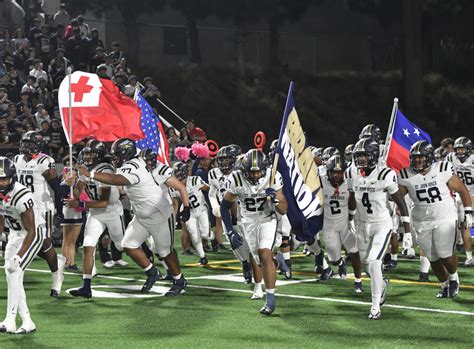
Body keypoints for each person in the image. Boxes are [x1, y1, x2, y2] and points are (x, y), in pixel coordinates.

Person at [77, 138, 189, 295]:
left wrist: (91, 174)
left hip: (158, 215)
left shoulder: (132, 166)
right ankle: (152, 272)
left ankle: (179, 280)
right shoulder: (131, 164)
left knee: (164, 252)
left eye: (117, 155)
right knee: (128, 244)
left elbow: (116, 180)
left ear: (126, 153)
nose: (114, 158)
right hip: (141, 215)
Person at [346, 138, 411, 320]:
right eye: (358, 156)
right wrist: (350, 217)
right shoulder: (351, 172)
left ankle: (375, 306)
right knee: (368, 265)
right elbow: (352, 197)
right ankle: (381, 284)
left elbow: (401, 202)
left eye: (364, 156)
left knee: (374, 262)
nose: (361, 160)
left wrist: (406, 231)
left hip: (381, 225)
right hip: (362, 224)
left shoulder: (385, 174)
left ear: (374, 156)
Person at [398, 140, 472, 297]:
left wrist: (468, 211)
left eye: (421, 157)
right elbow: (396, 196)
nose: (417, 160)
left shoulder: (442, 168)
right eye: (415, 157)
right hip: (421, 220)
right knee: (432, 257)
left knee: (445, 254)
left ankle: (453, 279)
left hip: (444, 216)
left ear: (429, 157)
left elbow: (461, 189)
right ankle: (444, 284)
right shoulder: (405, 174)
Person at [221, 149, 288, 316]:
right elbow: (225, 206)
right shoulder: (236, 178)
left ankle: (270, 300)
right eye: (251, 171)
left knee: (264, 254)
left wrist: (276, 200)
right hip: (248, 222)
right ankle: (277, 261)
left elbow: (284, 209)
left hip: (268, 219)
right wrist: (230, 230)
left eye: (258, 171)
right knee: (260, 261)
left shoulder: (273, 176)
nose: (256, 175)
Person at [68, 140, 126, 298]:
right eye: (86, 153)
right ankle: (86, 286)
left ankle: (150, 268)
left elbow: (103, 202)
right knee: (88, 245)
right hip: (95, 213)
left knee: (122, 246)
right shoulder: (85, 169)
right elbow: (79, 191)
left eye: (91, 153)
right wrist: (71, 184)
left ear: (99, 154)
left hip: (112, 211)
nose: (87, 156)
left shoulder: (105, 169)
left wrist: (79, 203)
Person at [13, 132, 67, 297]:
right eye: (25, 143)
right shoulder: (16, 159)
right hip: (22, 207)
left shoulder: (45, 161)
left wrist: (68, 186)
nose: (26, 146)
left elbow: (58, 190)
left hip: (42, 208)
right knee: (26, 243)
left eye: (30, 143)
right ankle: (57, 262)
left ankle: (57, 276)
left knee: (44, 243)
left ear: (38, 145)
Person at [0, 157, 44, 334]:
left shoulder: (21, 195)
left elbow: (31, 230)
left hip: (32, 236)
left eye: (4, 178)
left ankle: (10, 319)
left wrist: (19, 255)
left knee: (14, 270)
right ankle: (27, 320)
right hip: (14, 235)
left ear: (12, 177)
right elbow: (1, 215)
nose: (1, 182)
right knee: (11, 275)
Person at [208, 145, 253, 282]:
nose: (223, 163)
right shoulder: (213, 173)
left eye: (227, 160)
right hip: (226, 212)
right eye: (221, 160)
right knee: (235, 243)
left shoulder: (243, 171)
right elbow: (211, 193)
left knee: (250, 243)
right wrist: (215, 206)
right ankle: (245, 264)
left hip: (245, 211)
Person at [321, 155, 363, 292]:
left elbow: (353, 201)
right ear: (328, 172)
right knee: (333, 258)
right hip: (328, 225)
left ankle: (358, 282)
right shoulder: (321, 183)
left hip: (345, 224)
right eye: (334, 172)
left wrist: (351, 218)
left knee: (354, 252)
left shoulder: (349, 182)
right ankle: (340, 263)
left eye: (340, 172)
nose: (337, 175)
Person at [171, 162, 211, 265]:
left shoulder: (195, 180)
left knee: (205, 234)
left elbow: (209, 189)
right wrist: (173, 218)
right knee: (194, 235)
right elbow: (175, 203)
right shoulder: (173, 186)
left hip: (201, 209)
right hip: (189, 212)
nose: (179, 180)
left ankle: (211, 236)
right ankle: (202, 257)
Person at [446, 137, 474, 266]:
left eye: (462, 148)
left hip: (472, 193)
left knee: (465, 223)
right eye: (458, 149)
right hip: (458, 194)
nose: (460, 151)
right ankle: (467, 255)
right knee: (462, 224)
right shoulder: (451, 157)